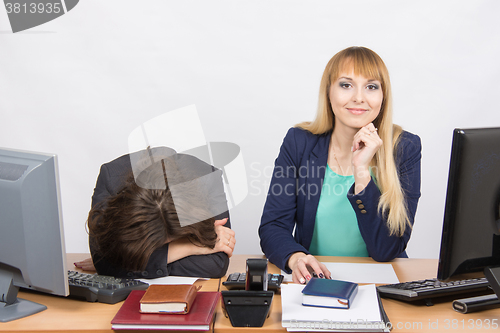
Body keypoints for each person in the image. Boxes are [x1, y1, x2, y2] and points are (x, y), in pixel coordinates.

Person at [258, 46, 421, 284]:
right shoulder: (299, 142)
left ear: (383, 96)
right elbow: (273, 226)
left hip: (380, 284)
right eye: (346, 85)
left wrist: (362, 173)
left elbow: (386, 249)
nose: (359, 97)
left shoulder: (404, 148)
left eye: (371, 86)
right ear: (329, 92)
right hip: (315, 281)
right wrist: (295, 258)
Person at [76, 146, 235, 279]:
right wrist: (189, 247)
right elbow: (104, 265)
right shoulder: (111, 178)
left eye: (169, 241)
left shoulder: (207, 178)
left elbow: (215, 265)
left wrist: (126, 264)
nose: (163, 246)